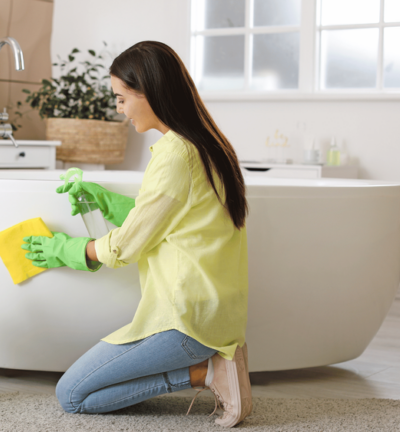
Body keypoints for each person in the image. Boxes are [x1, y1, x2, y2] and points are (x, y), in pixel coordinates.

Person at [21, 40, 250, 428]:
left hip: (185, 322)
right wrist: (108, 202)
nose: (118, 109)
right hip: (216, 315)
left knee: (72, 396)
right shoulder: (206, 144)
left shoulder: (175, 154)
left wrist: (67, 250)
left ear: (151, 92)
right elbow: (173, 221)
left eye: (121, 98)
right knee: (80, 391)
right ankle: (213, 366)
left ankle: (205, 373)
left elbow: (126, 246)